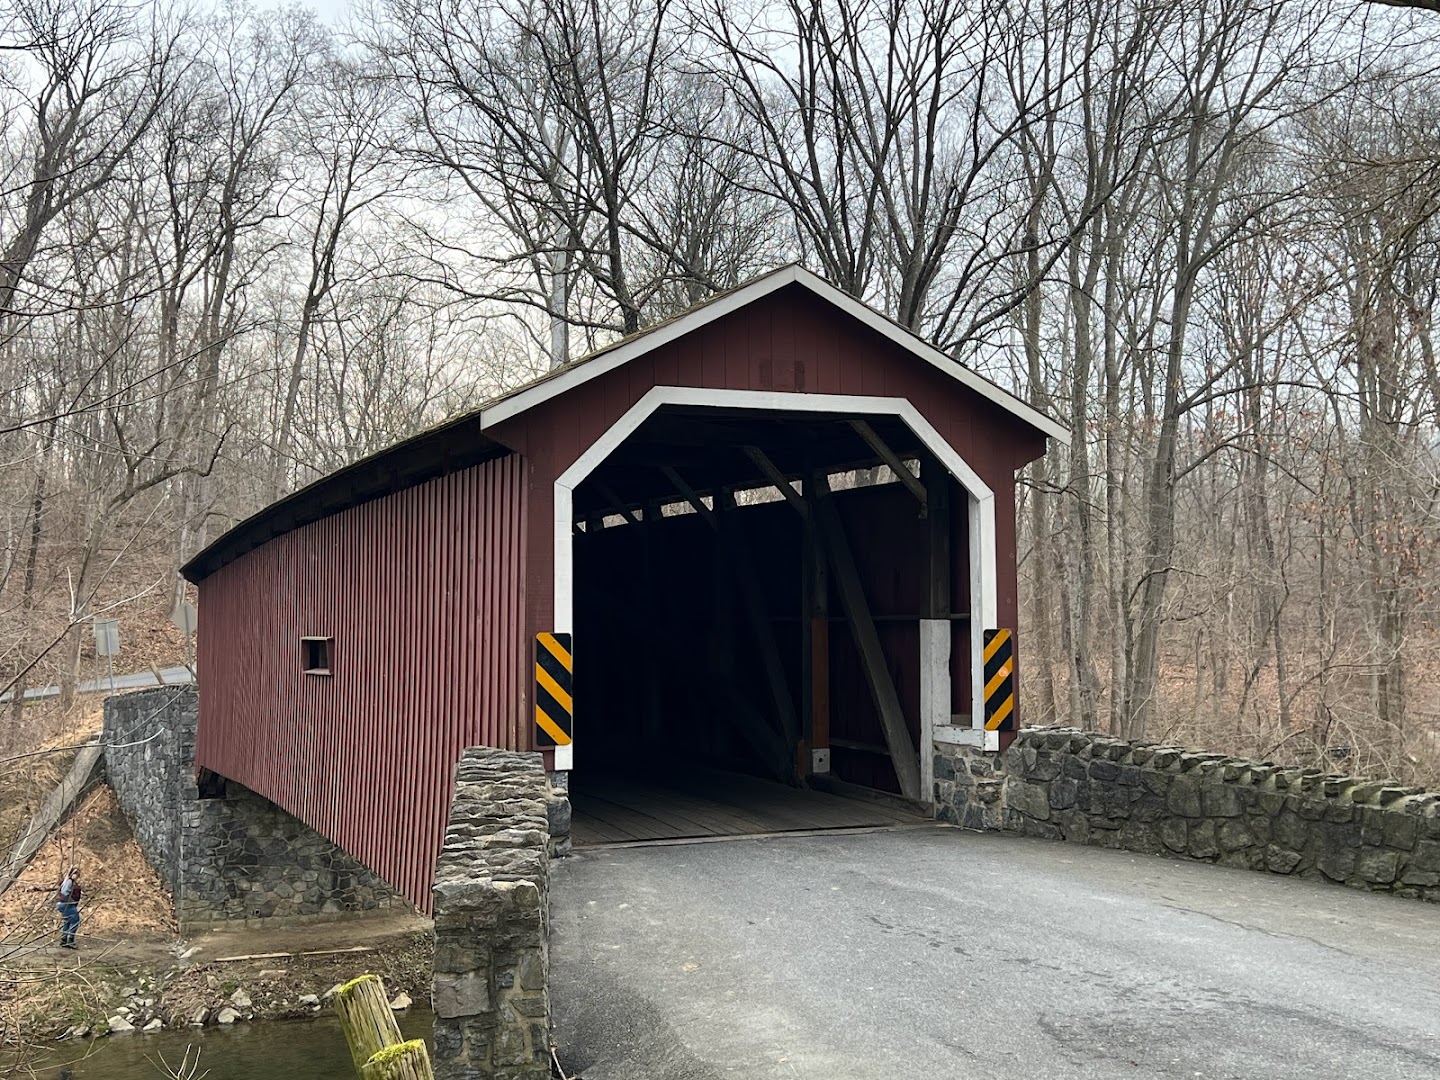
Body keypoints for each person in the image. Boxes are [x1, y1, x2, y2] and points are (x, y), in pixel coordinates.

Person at [56, 866, 81, 949]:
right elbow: (64, 893)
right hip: (66, 904)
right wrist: (71, 901)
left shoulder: (68, 882)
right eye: (75, 873)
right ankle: (70, 940)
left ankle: (63, 940)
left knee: (67, 921)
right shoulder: (69, 882)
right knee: (75, 920)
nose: (77, 875)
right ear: (71, 874)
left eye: (78, 874)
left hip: (62, 904)